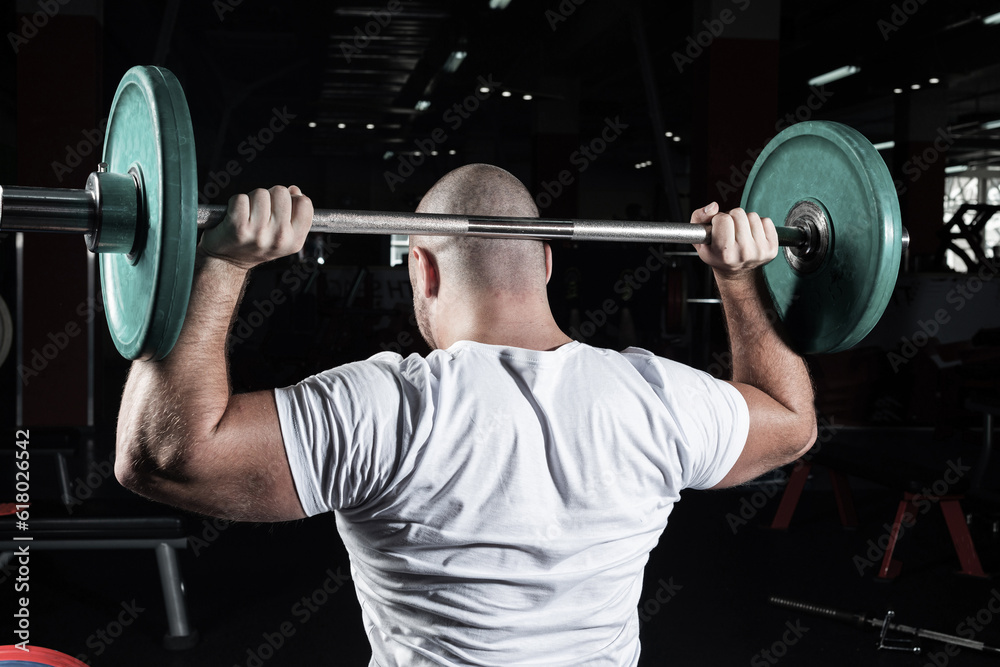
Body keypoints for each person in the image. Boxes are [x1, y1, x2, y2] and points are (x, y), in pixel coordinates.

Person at [115, 164, 816, 665]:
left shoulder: (388, 408)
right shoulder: (654, 399)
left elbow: (161, 455)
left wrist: (219, 267)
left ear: (422, 269)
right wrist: (739, 278)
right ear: (544, 262)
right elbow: (792, 419)